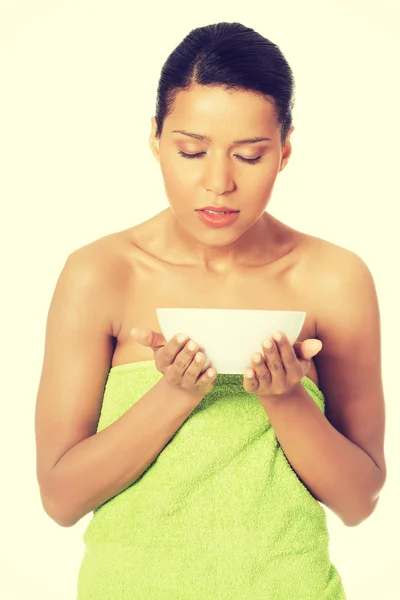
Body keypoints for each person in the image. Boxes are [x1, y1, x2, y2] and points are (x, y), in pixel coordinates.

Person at [34, 22, 386, 600]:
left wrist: (286, 397)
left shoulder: (333, 279)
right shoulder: (100, 273)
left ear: (285, 151)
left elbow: (359, 501)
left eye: (249, 155)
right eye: (191, 151)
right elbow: (60, 499)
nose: (218, 182)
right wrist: (174, 391)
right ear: (155, 138)